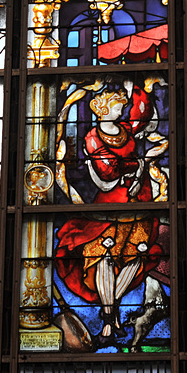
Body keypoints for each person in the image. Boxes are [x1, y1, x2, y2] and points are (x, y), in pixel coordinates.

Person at [55, 90, 160, 347]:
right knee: (101, 254)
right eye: (116, 107)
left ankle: (108, 320)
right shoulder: (92, 138)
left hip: (139, 200)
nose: (121, 111)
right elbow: (106, 174)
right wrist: (135, 167)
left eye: (123, 106)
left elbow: (143, 121)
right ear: (101, 109)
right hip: (109, 203)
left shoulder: (125, 128)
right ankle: (109, 319)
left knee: (135, 255)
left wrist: (137, 173)